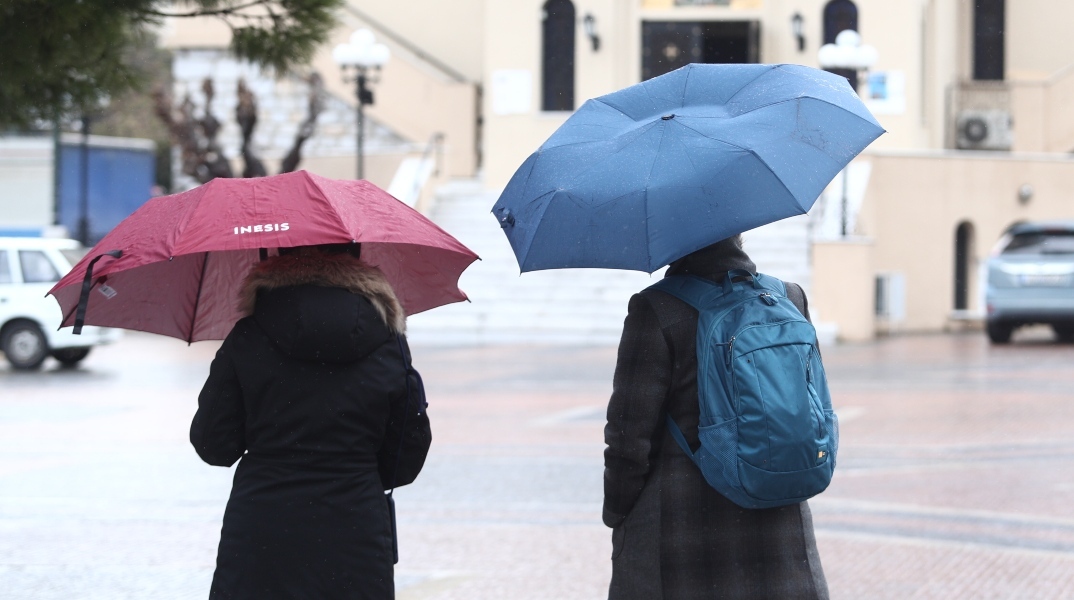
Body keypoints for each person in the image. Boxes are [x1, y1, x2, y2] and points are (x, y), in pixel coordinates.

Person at [191, 243, 431, 600]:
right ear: (355, 255)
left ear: (281, 257)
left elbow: (214, 445)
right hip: (354, 528)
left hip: (263, 528)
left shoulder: (248, 336)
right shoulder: (388, 343)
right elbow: (405, 457)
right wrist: (354, 470)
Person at [603, 235, 829, 600]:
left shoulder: (658, 308)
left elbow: (628, 438)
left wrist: (617, 511)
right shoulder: (789, 297)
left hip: (684, 523)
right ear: (738, 233)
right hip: (779, 514)